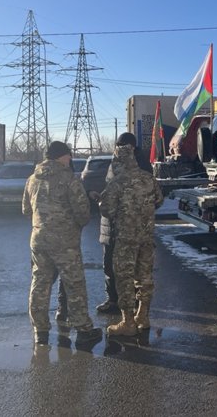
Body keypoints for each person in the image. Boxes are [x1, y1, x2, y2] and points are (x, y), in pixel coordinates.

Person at [23, 141, 101, 346]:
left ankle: (40, 331)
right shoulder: (69, 180)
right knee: (74, 284)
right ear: (61, 156)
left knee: (40, 283)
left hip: (39, 240)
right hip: (65, 242)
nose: (70, 159)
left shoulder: (32, 179)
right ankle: (83, 330)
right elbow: (83, 214)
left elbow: (25, 210)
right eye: (68, 155)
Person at [99, 141, 164, 336]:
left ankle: (127, 322)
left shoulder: (117, 182)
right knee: (144, 278)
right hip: (146, 237)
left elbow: (107, 210)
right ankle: (143, 316)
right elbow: (159, 201)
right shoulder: (148, 179)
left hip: (126, 240)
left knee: (124, 279)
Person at [91, 132, 152, 314]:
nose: (118, 150)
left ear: (131, 147)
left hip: (127, 228)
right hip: (111, 226)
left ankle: (131, 308)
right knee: (109, 265)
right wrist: (103, 197)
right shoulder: (115, 163)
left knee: (130, 269)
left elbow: (146, 198)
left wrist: (104, 202)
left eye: (121, 147)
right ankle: (114, 300)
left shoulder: (141, 166)